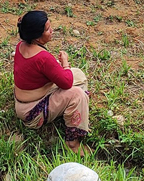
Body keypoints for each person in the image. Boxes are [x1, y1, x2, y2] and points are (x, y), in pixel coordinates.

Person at [13, 11, 90, 153]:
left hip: (24, 101)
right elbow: (66, 83)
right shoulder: (42, 58)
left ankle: (69, 110)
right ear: (37, 36)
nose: (52, 31)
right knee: (78, 94)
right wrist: (65, 63)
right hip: (32, 113)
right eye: (48, 29)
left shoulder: (21, 46)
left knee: (78, 75)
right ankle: (72, 143)